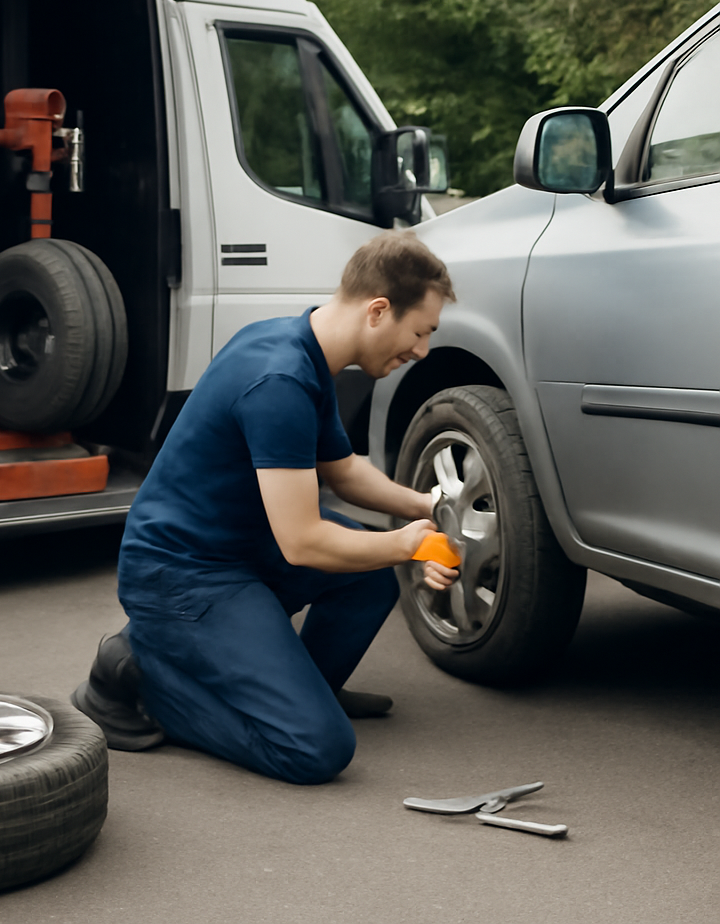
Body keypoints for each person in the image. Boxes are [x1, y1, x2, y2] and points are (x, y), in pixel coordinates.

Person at [71, 230, 459, 784]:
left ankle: (303, 692)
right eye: (420, 332)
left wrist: (427, 504)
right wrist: (405, 544)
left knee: (369, 578)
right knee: (316, 749)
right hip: (182, 574)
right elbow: (302, 542)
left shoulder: (301, 347)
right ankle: (140, 679)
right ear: (378, 310)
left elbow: (343, 471)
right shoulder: (281, 380)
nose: (421, 351)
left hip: (242, 547)